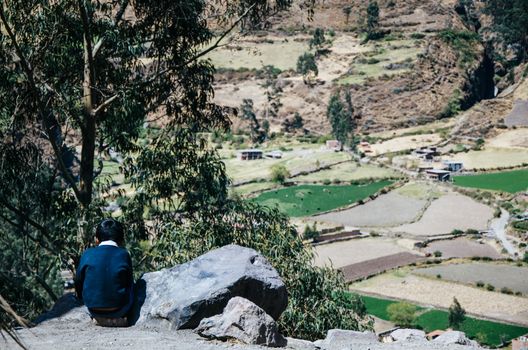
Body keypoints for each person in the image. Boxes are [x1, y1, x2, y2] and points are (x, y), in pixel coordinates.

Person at [75, 219, 134, 326]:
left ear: (97, 239)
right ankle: (117, 319)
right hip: (120, 308)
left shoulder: (87, 254)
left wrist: (82, 299)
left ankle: (100, 319)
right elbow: (129, 282)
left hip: (93, 308)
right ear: (121, 240)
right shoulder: (124, 254)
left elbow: (79, 281)